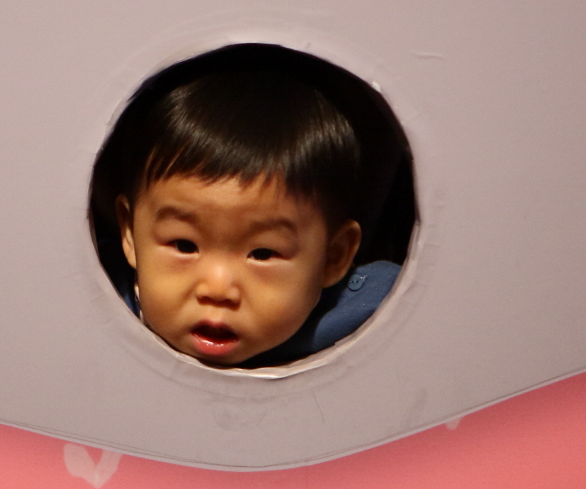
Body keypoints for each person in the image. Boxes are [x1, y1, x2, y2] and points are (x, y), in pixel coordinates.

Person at [109, 66, 401, 369]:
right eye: (184, 245)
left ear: (333, 256)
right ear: (129, 232)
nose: (218, 290)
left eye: (262, 253)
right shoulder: (95, 303)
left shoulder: (379, 310)